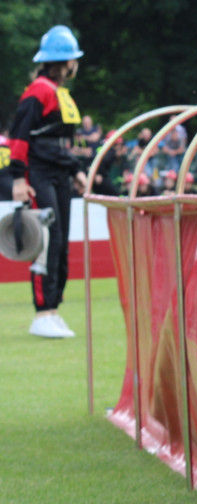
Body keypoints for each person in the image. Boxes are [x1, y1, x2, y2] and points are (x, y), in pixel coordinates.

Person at [8, 25, 88, 339]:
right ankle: (41, 313)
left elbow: (56, 146)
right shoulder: (39, 90)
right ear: (66, 62)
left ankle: (53, 310)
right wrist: (17, 178)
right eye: (74, 59)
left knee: (61, 242)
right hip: (38, 175)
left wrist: (74, 170)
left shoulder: (59, 93)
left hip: (58, 174)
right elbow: (21, 136)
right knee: (48, 242)